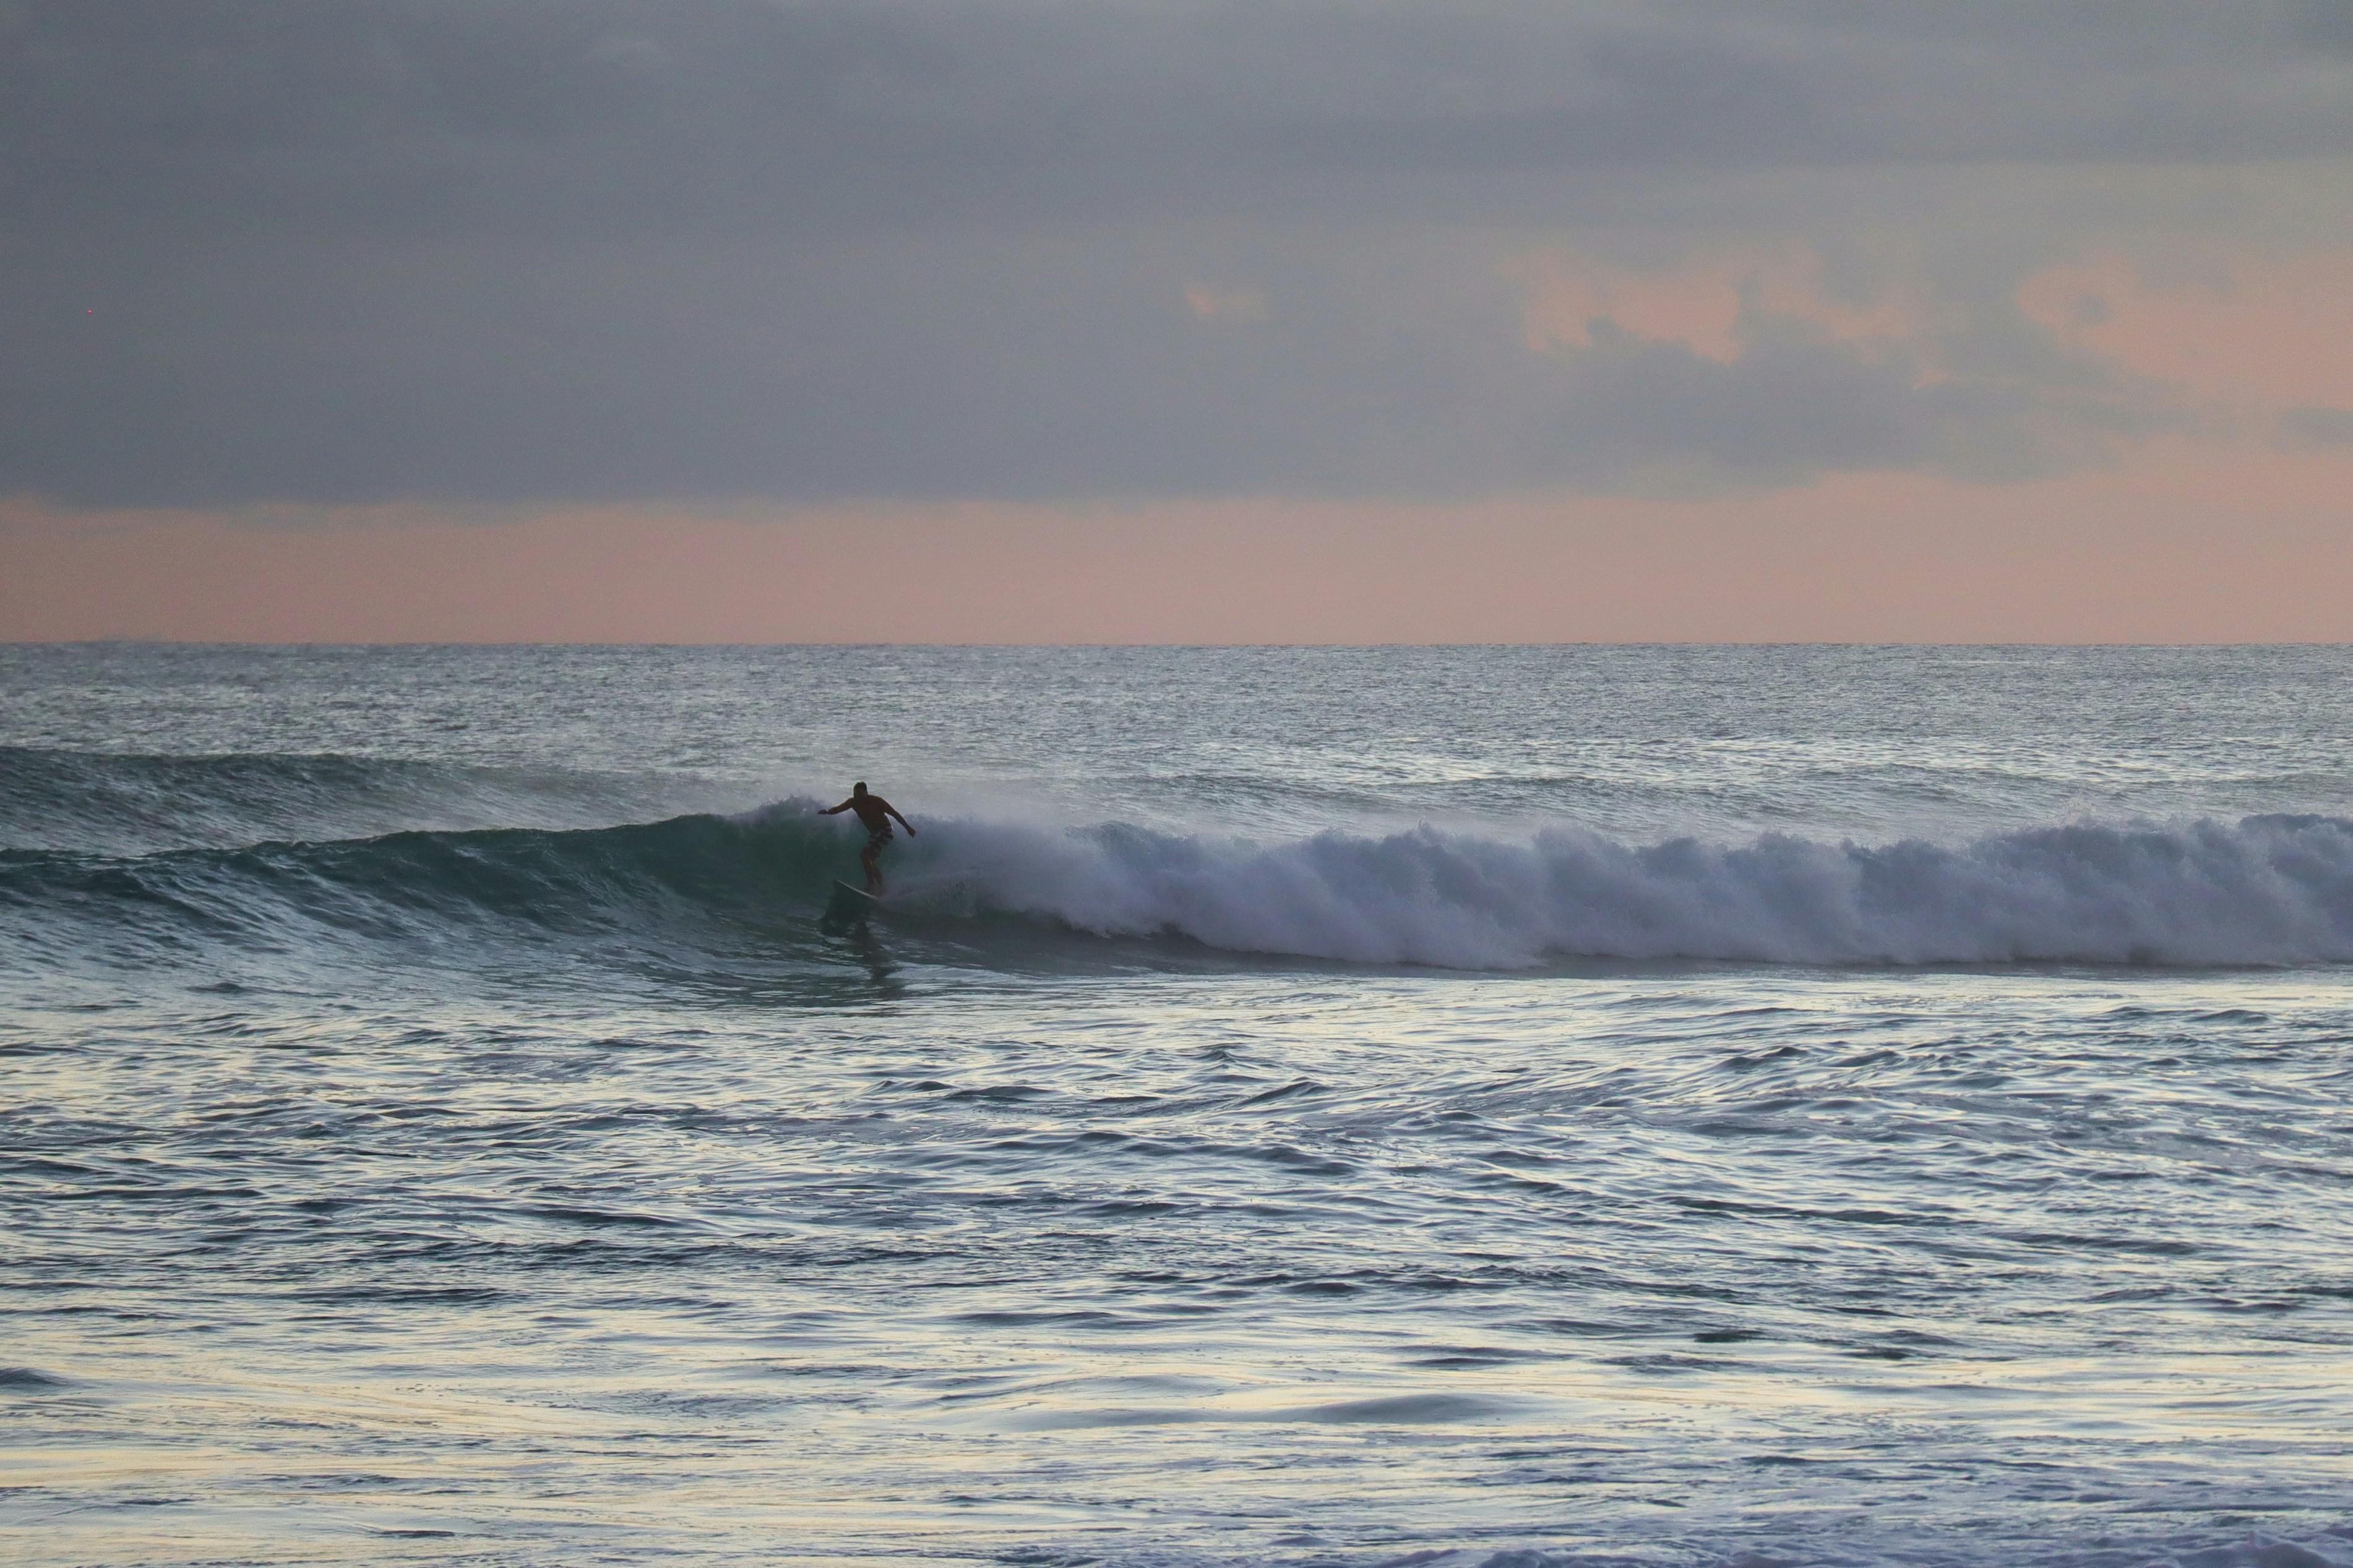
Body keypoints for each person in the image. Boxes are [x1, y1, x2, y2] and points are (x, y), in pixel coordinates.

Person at [819, 782, 916, 896]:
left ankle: (871, 886)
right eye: (856, 796)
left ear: (867, 793)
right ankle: (882, 887)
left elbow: (895, 814)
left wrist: (908, 828)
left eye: (860, 795)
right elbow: (839, 809)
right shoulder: (853, 802)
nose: (858, 799)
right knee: (870, 860)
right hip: (875, 834)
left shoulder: (877, 801)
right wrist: (827, 812)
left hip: (885, 831)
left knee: (865, 855)